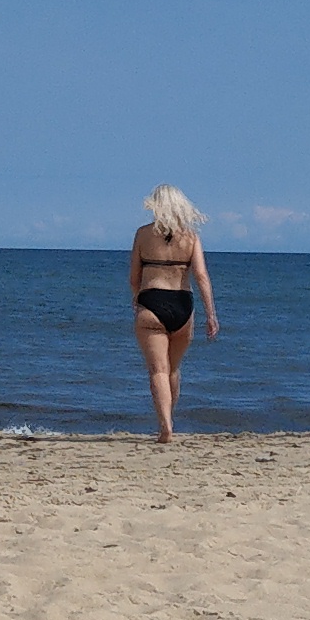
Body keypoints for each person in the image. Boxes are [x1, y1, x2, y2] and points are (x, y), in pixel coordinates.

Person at [127, 185, 220, 444]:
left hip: (152, 301)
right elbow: (201, 276)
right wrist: (211, 314)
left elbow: (134, 277)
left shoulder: (143, 234)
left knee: (158, 370)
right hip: (183, 304)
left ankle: (165, 425)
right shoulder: (191, 237)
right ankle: (169, 421)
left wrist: (137, 299)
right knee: (173, 369)